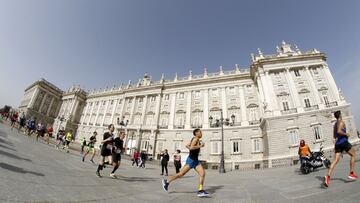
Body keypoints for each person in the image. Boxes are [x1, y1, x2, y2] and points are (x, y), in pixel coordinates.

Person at [162, 129, 209, 197]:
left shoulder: (196, 139)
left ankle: (200, 190)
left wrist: (197, 146)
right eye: (200, 132)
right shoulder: (195, 139)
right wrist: (200, 146)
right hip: (191, 160)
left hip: (196, 161)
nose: (201, 133)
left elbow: (187, 145)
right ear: (196, 133)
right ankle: (166, 182)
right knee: (181, 174)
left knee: (202, 173)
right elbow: (191, 148)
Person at [324, 111, 358, 187]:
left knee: (335, 161)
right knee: (353, 155)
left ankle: (328, 177)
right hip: (343, 142)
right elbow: (339, 131)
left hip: (338, 144)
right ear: (340, 115)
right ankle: (351, 173)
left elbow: (334, 136)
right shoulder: (341, 122)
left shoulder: (335, 124)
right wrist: (346, 134)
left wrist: (335, 145)